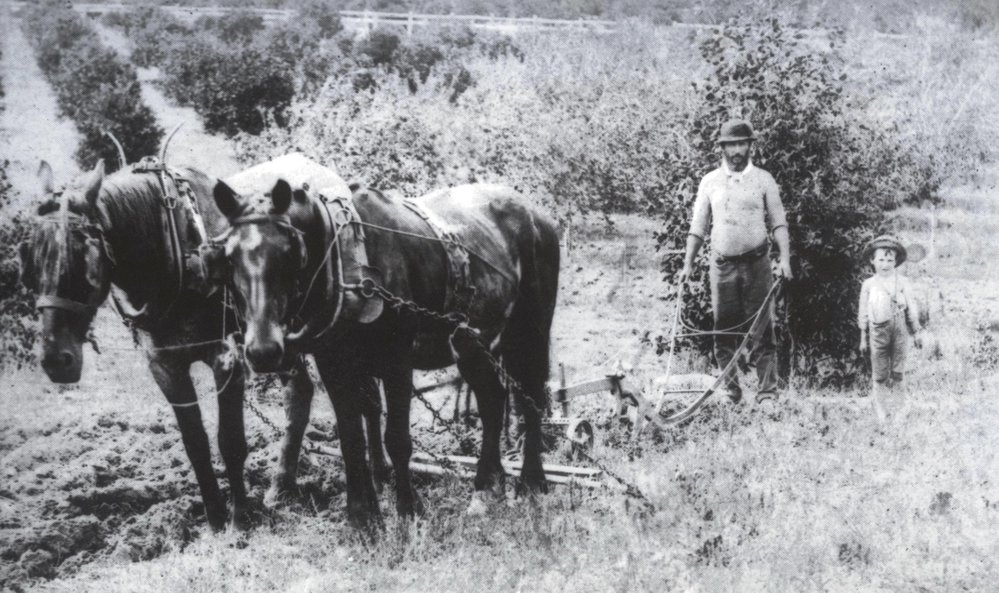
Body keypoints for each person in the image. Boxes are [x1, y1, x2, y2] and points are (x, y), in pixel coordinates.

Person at [679, 119, 792, 405]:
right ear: (722, 148)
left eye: (742, 143)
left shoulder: (764, 179)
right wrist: (688, 264)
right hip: (722, 266)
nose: (737, 150)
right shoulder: (710, 181)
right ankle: (731, 391)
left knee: (763, 329)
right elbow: (698, 227)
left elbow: (778, 222)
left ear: (751, 146)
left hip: (758, 264)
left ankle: (767, 393)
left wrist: (785, 259)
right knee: (723, 330)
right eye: (731, 145)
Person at [858, 235, 923, 406]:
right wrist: (863, 338)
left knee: (898, 373)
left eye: (889, 260)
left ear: (896, 262)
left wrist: (916, 332)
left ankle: (899, 409)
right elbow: (863, 312)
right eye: (881, 260)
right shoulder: (868, 284)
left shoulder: (902, 282)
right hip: (877, 332)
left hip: (899, 330)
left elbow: (911, 307)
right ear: (872, 260)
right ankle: (881, 412)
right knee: (879, 375)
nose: (885, 264)